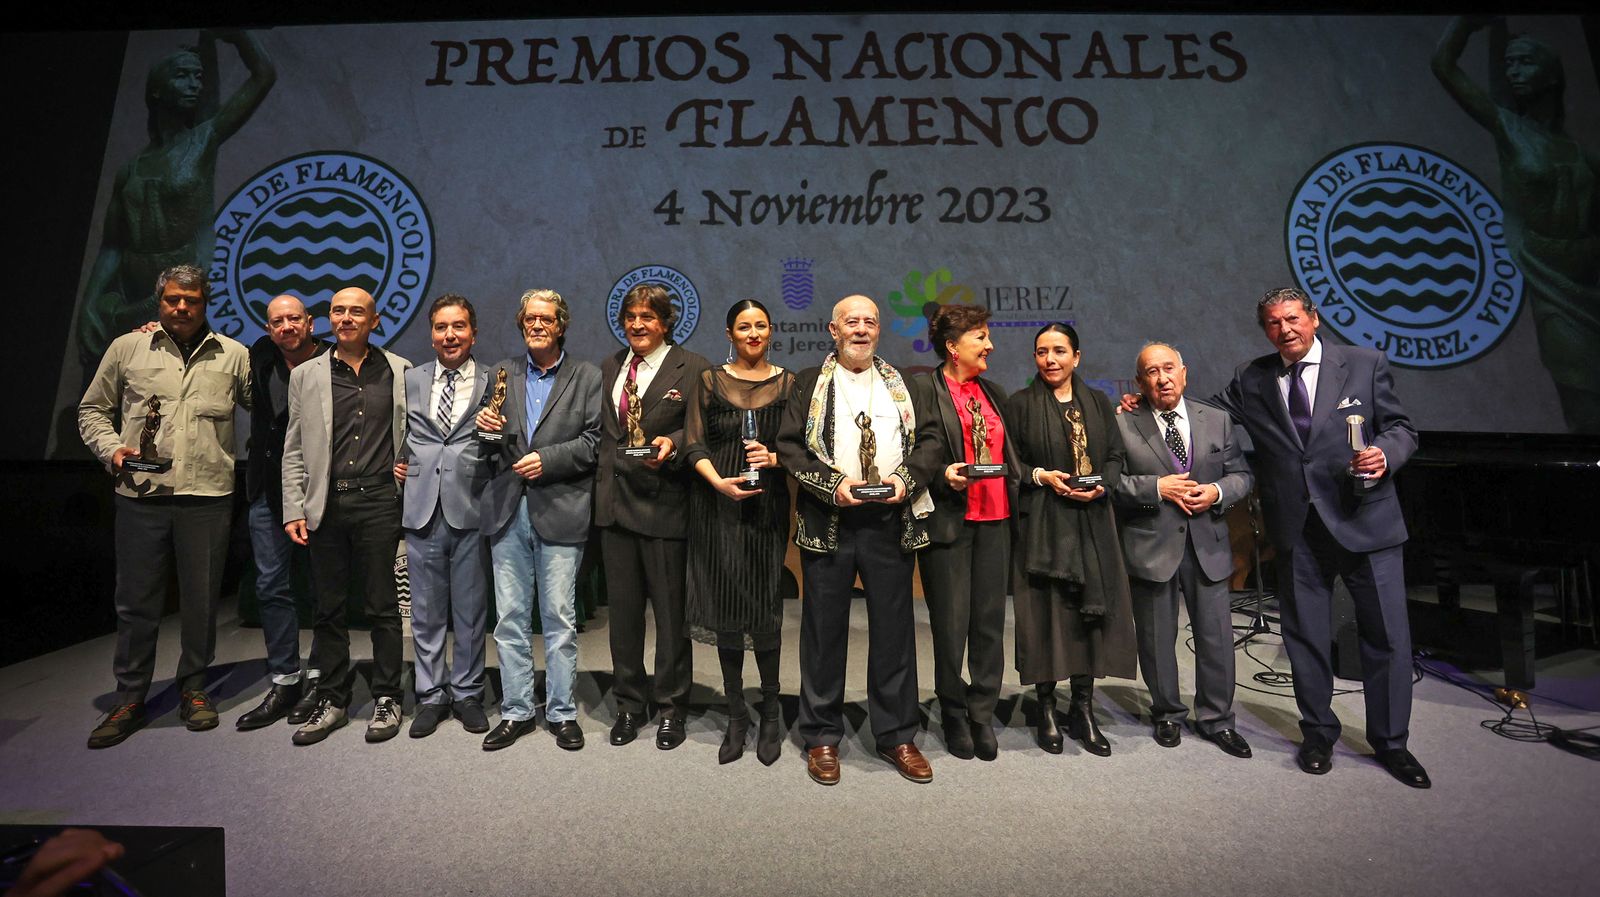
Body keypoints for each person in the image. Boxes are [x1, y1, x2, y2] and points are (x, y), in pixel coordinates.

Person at [1210, 288, 1426, 786]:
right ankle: (1318, 734)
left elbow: (1401, 428)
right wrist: (1147, 400)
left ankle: (1392, 743)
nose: (1284, 329)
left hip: (1365, 518)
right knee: (1305, 637)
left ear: (1314, 318)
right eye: (1273, 323)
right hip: (1297, 527)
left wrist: (1385, 454)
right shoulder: (1251, 377)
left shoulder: (1364, 363)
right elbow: (1208, 412)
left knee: (1387, 637)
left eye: (1292, 318)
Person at [77, 264, 251, 749]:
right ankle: (130, 696)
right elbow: (91, 409)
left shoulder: (234, 355)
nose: (181, 308)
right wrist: (112, 450)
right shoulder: (127, 347)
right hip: (141, 496)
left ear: (205, 303)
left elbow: (271, 403)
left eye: (191, 300)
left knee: (201, 601)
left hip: (208, 497)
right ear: (160, 301)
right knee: (136, 602)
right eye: (173, 299)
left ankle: (194, 688)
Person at [776, 295, 940, 786]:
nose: (862, 329)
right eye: (852, 322)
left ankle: (897, 735)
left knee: (894, 632)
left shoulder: (904, 384)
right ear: (833, 329)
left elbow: (931, 441)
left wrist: (905, 481)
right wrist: (833, 485)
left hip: (889, 521)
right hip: (829, 520)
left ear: (879, 330)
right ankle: (821, 735)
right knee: (823, 632)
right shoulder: (809, 382)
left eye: (870, 322)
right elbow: (789, 446)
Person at [1434, 16, 1600, 432]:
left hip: (1590, 278)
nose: (1513, 72)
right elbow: (1444, 65)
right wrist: (1467, 21)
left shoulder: (1579, 152)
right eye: (1508, 64)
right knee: (1580, 387)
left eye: (1524, 62)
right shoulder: (1508, 127)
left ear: (1551, 74)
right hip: (1550, 277)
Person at [77, 30, 274, 373]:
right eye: (182, 76)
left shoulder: (203, 140)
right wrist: (90, 304)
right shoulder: (131, 169)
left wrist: (237, 36)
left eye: (198, 77)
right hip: (129, 295)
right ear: (156, 89)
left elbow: (263, 76)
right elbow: (113, 245)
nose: (194, 84)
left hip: (177, 292)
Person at [281, 286, 411, 745]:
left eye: (357, 311)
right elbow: (294, 448)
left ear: (374, 321)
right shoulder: (306, 375)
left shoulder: (400, 370)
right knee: (328, 608)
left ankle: (387, 695)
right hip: (326, 503)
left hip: (379, 501)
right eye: (338, 311)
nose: (346, 318)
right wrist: (293, 507)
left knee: (383, 606)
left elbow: (415, 434)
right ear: (328, 319)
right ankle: (332, 698)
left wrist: (407, 465)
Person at [474, 289, 602, 752]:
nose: (537, 325)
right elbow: (487, 442)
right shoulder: (501, 372)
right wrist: (485, 430)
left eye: (546, 318)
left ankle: (562, 712)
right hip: (507, 508)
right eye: (530, 318)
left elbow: (594, 442)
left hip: (561, 508)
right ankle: (517, 710)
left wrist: (547, 459)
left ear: (561, 325)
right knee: (509, 618)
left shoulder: (586, 376)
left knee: (559, 619)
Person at [1112, 342, 1254, 758]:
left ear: (1184, 373)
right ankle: (1167, 713)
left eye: (1169, 368)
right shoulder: (1121, 424)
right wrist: (1157, 487)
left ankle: (1217, 719)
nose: (1163, 379)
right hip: (1152, 546)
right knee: (1156, 638)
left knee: (1216, 638)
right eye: (1152, 372)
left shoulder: (1217, 419)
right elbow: (1111, 483)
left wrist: (1216, 492)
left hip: (1207, 544)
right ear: (1140, 383)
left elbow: (1242, 475)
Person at [1008, 323, 1134, 757]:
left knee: (1088, 617)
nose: (1050, 359)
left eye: (1059, 351)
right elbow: (1010, 463)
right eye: (1042, 351)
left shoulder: (1097, 402)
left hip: (1093, 521)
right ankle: (1045, 707)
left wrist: (1103, 485)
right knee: (1044, 616)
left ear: (1076, 357)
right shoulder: (1019, 404)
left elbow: (1115, 455)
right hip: (1043, 525)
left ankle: (1083, 707)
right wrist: (1041, 476)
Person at [594, 283, 712, 750]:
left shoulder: (693, 367)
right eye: (630, 317)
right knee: (623, 620)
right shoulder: (610, 366)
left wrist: (675, 443)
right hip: (615, 509)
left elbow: (703, 429)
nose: (637, 325)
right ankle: (629, 704)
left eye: (647, 317)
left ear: (666, 323)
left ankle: (671, 708)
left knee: (669, 618)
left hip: (665, 506)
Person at [684, 299, 794, 765]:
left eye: (761, 326)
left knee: (765, 608)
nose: (753, 333)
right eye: (744, 327)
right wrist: (718, 483)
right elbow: (693, 444)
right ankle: (735, 714)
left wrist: (775, 458)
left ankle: (770, 711)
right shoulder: (709, 380)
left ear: (770, 332)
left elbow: (802, 448)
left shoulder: (789, 384)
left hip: (767, 509)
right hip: (717, 506)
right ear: (729, 334)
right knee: (725, 606)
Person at [909, 304, 1018, 762]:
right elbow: (911, 451)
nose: (990, 345)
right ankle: (953, 711)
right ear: (953, 347)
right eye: (980, 337)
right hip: (949, 521)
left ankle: (981, 712)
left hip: (995, 520)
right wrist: (941, 476)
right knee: (951, 626)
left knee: (989, 623)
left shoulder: (994, 392)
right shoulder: (923, 389)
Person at [392, 295, 491, 738]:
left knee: (469, 612)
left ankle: (468, 693)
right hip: (421, 506)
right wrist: (398, 464)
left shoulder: (493, 379)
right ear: (431, 334)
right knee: (426, 613)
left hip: (470, 504)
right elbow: (401, 431)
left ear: (474, 333)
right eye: (441, 327)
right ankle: (430, 695)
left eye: (458, 327)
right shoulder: (411, 378)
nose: (450, 335)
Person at [236, 295, 329, 730]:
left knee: (323, 588)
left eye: (294, 319)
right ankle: (286, 679)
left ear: (310, 323)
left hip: (320, 490)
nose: (287, 326)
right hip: (266, 490)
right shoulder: (259, 355)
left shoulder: (332, 359)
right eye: (278, 321)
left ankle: (321, 677)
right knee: (272, 586)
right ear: (268, 328)